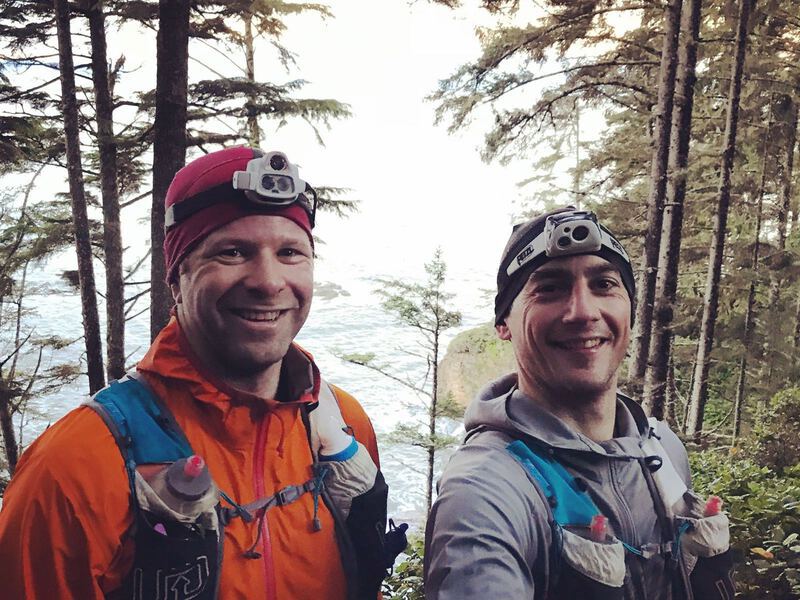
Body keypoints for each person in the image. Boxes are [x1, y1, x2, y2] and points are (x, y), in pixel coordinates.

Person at [0, 147, 391, 600]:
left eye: (290, 252)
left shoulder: (343, 425)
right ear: (176, 277)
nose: (268, 281)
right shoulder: (75, 467)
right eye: (231, 252)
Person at [424, 207, 734, 599]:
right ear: (503, 324)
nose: (584, 312)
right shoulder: (483, 493)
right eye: (549, 289)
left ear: (630, 310)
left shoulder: (664, 451)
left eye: (604, 285)